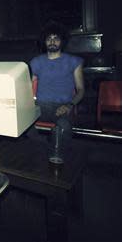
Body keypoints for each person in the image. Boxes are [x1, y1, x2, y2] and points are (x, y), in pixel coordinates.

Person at [29, 21, 85, 164]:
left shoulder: (73, 62)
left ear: (62, 41)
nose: (52, 41)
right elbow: (29, 87)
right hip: (40, 106)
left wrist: (70, 105)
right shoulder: (36, 62)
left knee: (64, 126)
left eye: (56, 38)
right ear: (44, 41)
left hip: (63, 106)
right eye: (49, 38)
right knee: (21, 122)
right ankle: (45, 147)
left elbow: (81, 90)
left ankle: (56, 158)